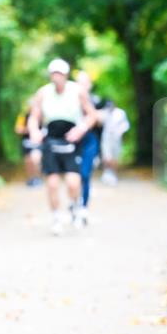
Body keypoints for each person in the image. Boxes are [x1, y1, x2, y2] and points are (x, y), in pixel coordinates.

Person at [27, 59, 97, 235]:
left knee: (73, 183)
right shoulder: (43, 93)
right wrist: (34, 131)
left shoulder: (77, 91)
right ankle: (56, 217)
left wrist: (80, 130)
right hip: (51, 140)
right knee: (52, 184)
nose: (56, 77)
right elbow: (34, 117)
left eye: (59, 73)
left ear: (65, 75)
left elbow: (91, 115)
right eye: (53, 73)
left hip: (71, 141)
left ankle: (75, 205)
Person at [73, 70, 112, 223]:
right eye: (78, 82)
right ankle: (74, 202)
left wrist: (94, 116)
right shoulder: (70, 101)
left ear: (89, 85)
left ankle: (83, 206)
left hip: (90, 141)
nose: (81, 86)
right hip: (73, 142)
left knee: (85, 174)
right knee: (73, 175)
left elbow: (103, 119)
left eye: (84, 82)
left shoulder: (96, 100)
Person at [100, 99, 129, 185]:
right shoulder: (104, 112)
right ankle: (106, 173)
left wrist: (119, 132)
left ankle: (113, 173)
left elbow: (125, 125)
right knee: (106, 155)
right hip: (106, 136)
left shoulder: (120, 113)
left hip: (116, 137)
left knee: (115, 156)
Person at [15, 105, 43, 187]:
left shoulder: (41, 116)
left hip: (38, 142)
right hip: (27, 142)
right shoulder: (23, 116)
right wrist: (29, 130)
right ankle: (31, 178)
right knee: (28, 161)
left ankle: (38, 178)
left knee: (37, 160)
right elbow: (18, 129)